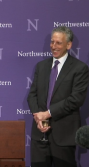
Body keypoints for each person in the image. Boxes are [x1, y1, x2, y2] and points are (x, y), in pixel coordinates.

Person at [27, 26, 89, 167]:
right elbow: (32, 95)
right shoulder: (41, 66)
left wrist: (47, 114)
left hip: (63, 136)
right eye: (52, 42)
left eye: (58, 43)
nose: (53, 46)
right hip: (39, 135)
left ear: (69, 45)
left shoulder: (79, 68)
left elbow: (76, 100)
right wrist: (38, 117)